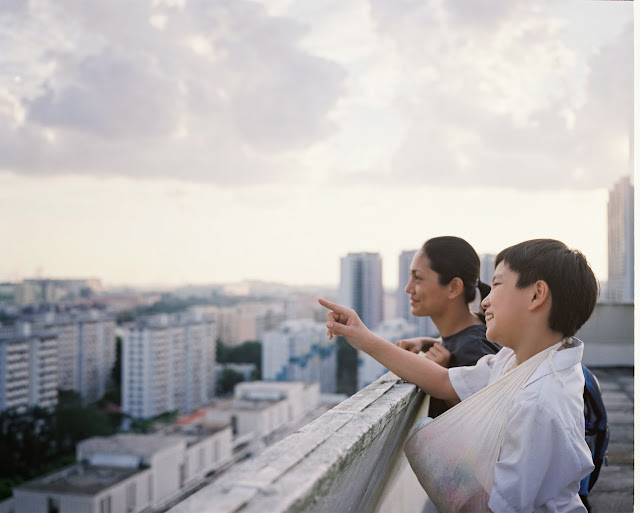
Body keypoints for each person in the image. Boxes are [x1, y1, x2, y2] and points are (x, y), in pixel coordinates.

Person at [319, 239, 597, 512]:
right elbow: (443, 381)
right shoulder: (513, 361)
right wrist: (363, 338)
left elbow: (503, 508)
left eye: (497, 284)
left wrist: (439, 457)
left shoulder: (538, 400)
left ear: (536, 295)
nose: (485, 301)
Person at [395, 236, 501, 417]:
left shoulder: (475, 348)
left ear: (454, 287)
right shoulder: (468, 336)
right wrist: (427, 342)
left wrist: (442, 375)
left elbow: (484, 423)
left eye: (418, 278)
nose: (408, 288)